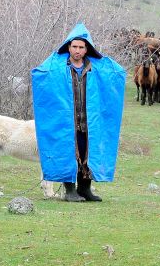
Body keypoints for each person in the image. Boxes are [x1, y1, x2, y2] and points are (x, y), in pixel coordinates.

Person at [32, 23, 126, 201]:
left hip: (90, 119)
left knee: (87, 153)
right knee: (68, 152)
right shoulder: (58, 67)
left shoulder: (96, 68)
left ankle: (85, 189)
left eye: (81, 47)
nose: (77, 50)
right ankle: (69, 191)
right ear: (68, 47)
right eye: (74, 46)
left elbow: (117, 73)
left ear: (86, 49)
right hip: (67, 119)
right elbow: (40, 75)